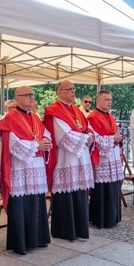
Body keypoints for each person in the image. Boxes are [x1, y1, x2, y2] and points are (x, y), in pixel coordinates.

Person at [0, 86, 52, 254]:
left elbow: (46, 134)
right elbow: (13, 145)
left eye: (32, 94)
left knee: (36, 201)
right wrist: (37, 145)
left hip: (36, 167)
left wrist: (45, 141)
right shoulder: (11, 118)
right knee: (21, 203)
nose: (31, 97)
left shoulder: (35, 116)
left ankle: (38, 238)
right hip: (21, 167)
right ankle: (20, 242)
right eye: (27, 95)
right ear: (18, 98)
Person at [43, 80, 94, 241]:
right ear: (59, 92)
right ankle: (65, 230)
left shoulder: (76, 110)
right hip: (65, 159)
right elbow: (63, 136)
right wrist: (86, 138)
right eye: (69, 89)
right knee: (67, 194)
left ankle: (80, 229)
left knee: (79, 194)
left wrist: (90, 134)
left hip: (81, 157)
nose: (73, 92)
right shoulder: (54, 110)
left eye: (74, 88)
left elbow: (86, 126)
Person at [87, 90, 124, 228]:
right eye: (107, 99)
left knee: (113, 186)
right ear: (99, 101)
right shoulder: (93, 117)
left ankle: (113, 217)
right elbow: (95, 139)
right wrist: (112, 139)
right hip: (102, 159)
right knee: (103, 188)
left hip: (112, 156)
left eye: (111, 99)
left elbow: (114, 132)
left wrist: (118, 138)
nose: (110, 102)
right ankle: (102, 218)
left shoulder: (110, 116)